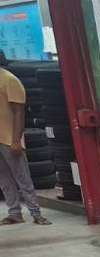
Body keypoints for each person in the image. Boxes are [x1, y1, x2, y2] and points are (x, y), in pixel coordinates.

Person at [0, 55, 50, 225]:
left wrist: (16, 140)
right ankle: (14, 213)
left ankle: (36, 213)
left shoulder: (9, 80)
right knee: (3, 178)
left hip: (9, 138)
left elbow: (19, 112)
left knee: (22, 177)